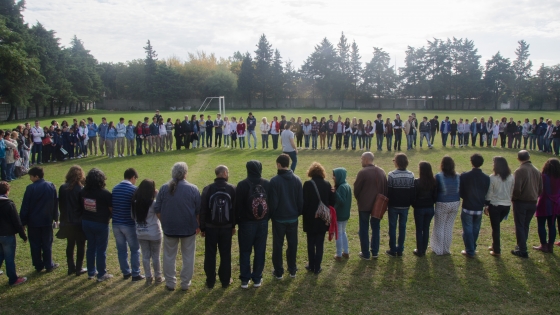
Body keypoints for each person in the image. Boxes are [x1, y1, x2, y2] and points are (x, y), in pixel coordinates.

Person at [154, 162, 200, 291]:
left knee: (169, 256)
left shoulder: (164, 188)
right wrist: (198, 225)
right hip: (188, 228)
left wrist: (164, 222)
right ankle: (185, 283)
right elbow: (198, 211)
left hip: (170, 228)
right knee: (188, 256)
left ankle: (170, 282)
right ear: (185, 173)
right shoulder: (193, 188)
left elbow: (157, 209)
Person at [235, 160, 270, 289]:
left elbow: (237, 206)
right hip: (262, 222)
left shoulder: (242, 185)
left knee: (245, 251)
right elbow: (270, 203)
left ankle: (244, 279)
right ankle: (257, 278)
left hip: (246, 223)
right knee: (260, 251)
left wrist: (238, 222)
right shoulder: (266, 183)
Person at [200, 165, 236, 288]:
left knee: (210, 254)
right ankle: (225, 280)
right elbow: (234, 210)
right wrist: (233, 226)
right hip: (226, 227)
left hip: (210, 227)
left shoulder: (208, 189)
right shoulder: (232, 189)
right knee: (225, 254)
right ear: (225, 173)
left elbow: (203, 209)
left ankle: (210, 281)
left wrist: (202, 227)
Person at [269, 154, 303, 279]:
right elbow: (300, 201)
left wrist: (272, 215)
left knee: (278, 245)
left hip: (279, 218)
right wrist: (296, 212)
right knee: (292, 243)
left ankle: (279, 271)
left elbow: (273, 202)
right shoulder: (297, 179)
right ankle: (292, 269)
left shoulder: (274, 181)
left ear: (278, 164)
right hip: (293, 217)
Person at [19, 166, 58, 272]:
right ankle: (49, 264)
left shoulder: (30, 188)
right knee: (47, 243)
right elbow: (55, 203)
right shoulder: (51, 186)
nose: (30, 178)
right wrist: (56, 217)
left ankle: (38, 265)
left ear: (36, 176)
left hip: (33, 222)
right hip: (46, 220)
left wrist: (23, 221)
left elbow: (25, 206)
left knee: (35, 244)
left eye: (31, 176)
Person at [79, 168, 113, 281]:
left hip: (86, 222)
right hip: (100, 223)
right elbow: (111, 209)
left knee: (91, 247)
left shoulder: (83, 192)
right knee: (101, 249)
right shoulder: (105, 193)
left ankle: (91, 272)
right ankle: (101, 273)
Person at [302, 162, 335, 274]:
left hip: (310, 218)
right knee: (320, 243)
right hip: (322, 218)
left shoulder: (307, 184)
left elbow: (304, 203)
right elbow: (332, 201)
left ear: (311, 172)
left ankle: (311, 265)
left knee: (310, 242)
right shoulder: (327, 184)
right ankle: (318, 266)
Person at [354, 152, 388, 259]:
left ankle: (365, 253)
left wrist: (360, 199)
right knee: (376, 228)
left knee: (364, 228)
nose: (361, 161)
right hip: (378, 206)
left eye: (361, 159)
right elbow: (385, 188)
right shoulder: (382, 172)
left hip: (364, 205)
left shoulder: (363, 172)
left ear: (365, 159)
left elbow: (356, 189)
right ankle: (375, 252)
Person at [112, 168, 143, 281]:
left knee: (121, 249)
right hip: (129, 223)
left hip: (116, 223)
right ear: (133, 177)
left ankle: (125, 272)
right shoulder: (134, 189)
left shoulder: (115, 189)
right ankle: (135, 273)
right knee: (135, 249)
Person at [511, 150, 542, 258]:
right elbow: (540, 189)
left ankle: (522, 249)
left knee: (519, 225)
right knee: (525, 225)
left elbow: (517, 189)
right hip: (533, 202)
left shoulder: (520, 171)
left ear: (518, 159)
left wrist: (514, 198)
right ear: (529, 157)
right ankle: (521, 245)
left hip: (521, 202)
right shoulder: (537, 171)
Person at [132, 179, 164, 284]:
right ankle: (158, 276)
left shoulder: (135, 203)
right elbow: (161, 213)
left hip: (141, 233)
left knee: (145, 256)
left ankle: (148, 277)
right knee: (156, 256)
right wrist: (157, 193)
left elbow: (132, 217)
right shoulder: (153, 203)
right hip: (154, 233)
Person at [57, 166, 87, 276]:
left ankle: (71, 267)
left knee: (70, 244)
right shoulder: (81, 189)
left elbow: (61, 204)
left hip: (66, 220)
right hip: (78, 221)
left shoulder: (63, 187)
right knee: (81, 244)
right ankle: (79, 268)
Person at [459, 154, 490, 258]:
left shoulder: (464, 176)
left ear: (471, 162)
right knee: (475, 228)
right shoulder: (486, 178)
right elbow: (486, 192)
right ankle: (472, 247)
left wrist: (465, 197)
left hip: (467, 206)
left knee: (467, 228)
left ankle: (470, 250)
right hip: (479, 207)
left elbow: (461, 191)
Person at [386, 153, 415, 257]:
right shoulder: (411, 175)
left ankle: (393, 249)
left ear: (397, 162)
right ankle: (400, 249)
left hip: (393, 205)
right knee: (402, 227)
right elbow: (412, 191)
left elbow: (389, 192)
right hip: (405, 206)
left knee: (392, 228)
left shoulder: (391, 175)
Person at [485, 156, 514, 256]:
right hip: (506, 206)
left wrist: (486, 206)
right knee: (496, 226)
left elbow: (489, 193)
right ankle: (494, 245)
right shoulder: (511, 177)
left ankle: (497, 250)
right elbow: (512, 191)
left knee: (496, 228)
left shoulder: (492, 178)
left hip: (495, 205)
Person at [0, 181, 28, 286]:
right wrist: (23, 235)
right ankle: (13, 279)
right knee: (9, 257)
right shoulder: (9, 204)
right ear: (7, 191)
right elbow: (17, 222)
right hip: (7, 235)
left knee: (0, 255)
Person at [431, 156, 460, 255]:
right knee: (448, 227)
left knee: (439, 226)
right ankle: (446, 249)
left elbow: (435, 190)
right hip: (455, 202)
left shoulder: (439, 176)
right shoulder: (458, 176)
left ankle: (438, 249)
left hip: (442, 202)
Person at [533, 158, 560, 253]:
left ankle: (543, 245)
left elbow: (538, 189)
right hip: (556, 203)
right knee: (552, 225)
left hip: (545, 202)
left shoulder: (543, 176)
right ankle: (550, 246)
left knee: (541, 224)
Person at [412, 162, 436, 257]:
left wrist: (415, 204)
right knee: (426, 229)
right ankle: (424, 249)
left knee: (419, 229)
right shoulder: (433, 181)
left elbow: (413, 196)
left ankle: (419, 249)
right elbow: (435, 196)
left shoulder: (417, 182)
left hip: (419, 208)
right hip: (429, 208)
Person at [333, 167, 351, 261]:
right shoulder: (347, 185)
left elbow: (342, 201)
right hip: (346, 214)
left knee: (338, 234)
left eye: (334, 176)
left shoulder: (341, 187)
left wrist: (335, 193)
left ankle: (339, 254)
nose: (333, 178)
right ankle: (346, 252)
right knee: (343, 232)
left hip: (340, 215)